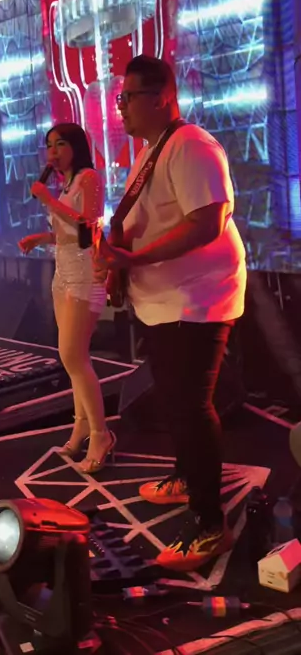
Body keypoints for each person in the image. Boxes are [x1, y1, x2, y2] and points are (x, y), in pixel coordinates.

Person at [94, 54, 246, 571]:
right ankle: (186, 477)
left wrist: (131, 260)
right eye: (119, 98)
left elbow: (207, 222)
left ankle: (209, 524)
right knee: (177, 402)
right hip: (165, 301)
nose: (120, 107)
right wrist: (118, 264)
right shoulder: (152, 151)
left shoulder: (191, 145)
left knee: (190, 407)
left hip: (196, 300)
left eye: (127, 97)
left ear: (161, 98)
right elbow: (144, 222)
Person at [19, 123, 115, 473]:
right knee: (72, 359)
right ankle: (81, 427)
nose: (53, 152)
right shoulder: (67, 184)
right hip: (62, 274)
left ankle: (101, 434)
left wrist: (47, 200)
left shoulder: (89, 178)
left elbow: (87, 228)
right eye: (49, 146)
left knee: (73, 355)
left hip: (85, 275)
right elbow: (67, 232)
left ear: (76, 146)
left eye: (60, 144)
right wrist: (42, 238)